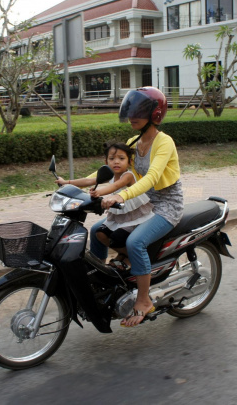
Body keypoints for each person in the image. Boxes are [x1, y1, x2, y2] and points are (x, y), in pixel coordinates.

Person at [97, 87, 184, 328]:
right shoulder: (133, 142)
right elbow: (116, 171)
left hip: (167, 207)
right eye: (131, 110)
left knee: (136, 242)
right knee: (97, 229)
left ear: (155, 114)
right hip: (143, 202)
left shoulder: (164, 142)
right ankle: (104, 277)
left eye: (139, 111)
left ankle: (144, 300)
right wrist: (74, 184)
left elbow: (151, 178)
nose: (132, 116)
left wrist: (119, 196)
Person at [55, 142, 154, 270]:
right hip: (120, 215)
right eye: (112, 159)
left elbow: (116, 186)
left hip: (134, 216)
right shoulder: (110, 175)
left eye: (121, 158)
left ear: (129, 162)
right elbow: (88, 180)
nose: (116, 162)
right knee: (100, 233)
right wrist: (67, 183)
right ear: (106, 162)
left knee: (118, 238)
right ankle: (123, 254)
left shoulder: (128, 176)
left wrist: (99, 192)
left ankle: (133, 257)